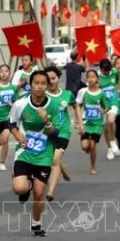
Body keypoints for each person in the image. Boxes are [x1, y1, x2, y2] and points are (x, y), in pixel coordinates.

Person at [9, 70, 61, 236]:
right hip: (24, 153)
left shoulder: (53, 105)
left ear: (47, 86)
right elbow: (10, 123)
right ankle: (27, 184)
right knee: (19, 189)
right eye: (36, 83)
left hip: (44, 154)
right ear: (30, 85)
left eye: (43, 83)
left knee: (39, 193)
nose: (39, 87)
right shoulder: (20, 104)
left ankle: (36, 224)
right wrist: (17, 135)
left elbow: (54, 134)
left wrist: (46, 120)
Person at [44, 66, 74, 202]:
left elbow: (76, 105)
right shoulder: (42, 96)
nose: (51, 82)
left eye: (53, 78)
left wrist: (79, 121)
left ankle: (50, 192)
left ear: (58, 78)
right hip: (48, 131)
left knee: (54, 160)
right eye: (48, 79)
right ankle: (62, 167)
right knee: (52, 158)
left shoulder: (67, 94)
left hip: (63, 131)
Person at [75, 70, 112, 175]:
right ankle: (88, 149)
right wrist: (79, 121)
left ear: (97, 79)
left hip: (97, 124)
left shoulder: (101, 94)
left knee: (92, 145)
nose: (91, 79)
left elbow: (107, 107)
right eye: (89, 77)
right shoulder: (83, 92)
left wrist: (103, 111)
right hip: (86, 123)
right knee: (84, 146)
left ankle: (92, 166)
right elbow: (77, 105)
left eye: (93, 77)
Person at [98, 58, 120, 160]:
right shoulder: (97, 76)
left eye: (108, 71)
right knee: (106, 128)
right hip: (103, 104)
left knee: (111, 121)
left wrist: (119, 89)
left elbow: (118, 81)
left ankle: (112, 141)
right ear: (101, 69)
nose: (106, 73)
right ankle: (109, 148)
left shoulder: (114, 72)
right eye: (104, 71)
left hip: (113, 101)